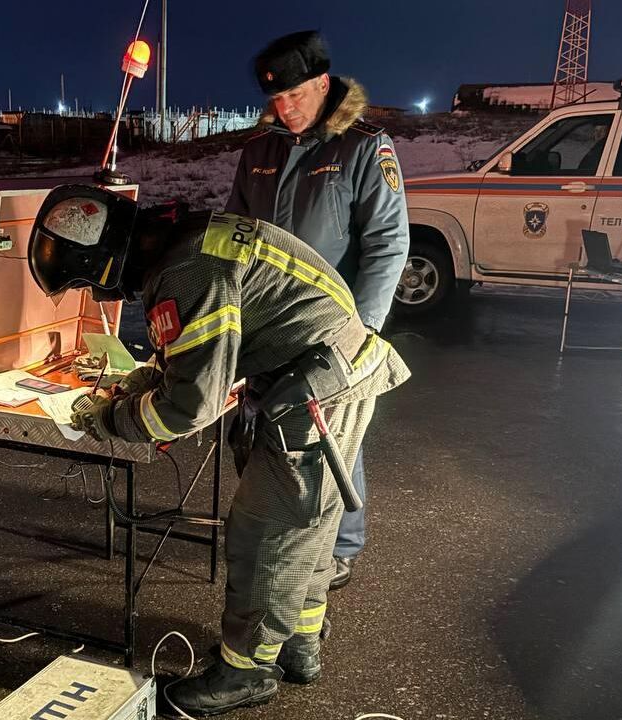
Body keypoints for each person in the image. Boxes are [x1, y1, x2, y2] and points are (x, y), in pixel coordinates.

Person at [27, 184, 410, 715]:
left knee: (268, 532)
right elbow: (207, 348)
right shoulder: (186, 239)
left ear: (107, 262)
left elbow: (186, 409)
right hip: (325, 371)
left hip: (315, 390)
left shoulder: (184, 272)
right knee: (309, 527)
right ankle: (299, 646)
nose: (99, 296)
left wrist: (111, 419)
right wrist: (147, 379)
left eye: (92, 284)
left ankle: (245, 672)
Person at [226, 30, 410, 590]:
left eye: (296, 96)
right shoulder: (259, 150)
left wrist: (364, 332)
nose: (285, 108)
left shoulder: (361, 146)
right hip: (266, 320)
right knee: (267, 424)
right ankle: (279, 526)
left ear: (324, 85)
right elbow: (233, 232)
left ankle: (342, 547)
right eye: (276, 99)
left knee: (331, 435)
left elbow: (387, 243)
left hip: (334, 326)